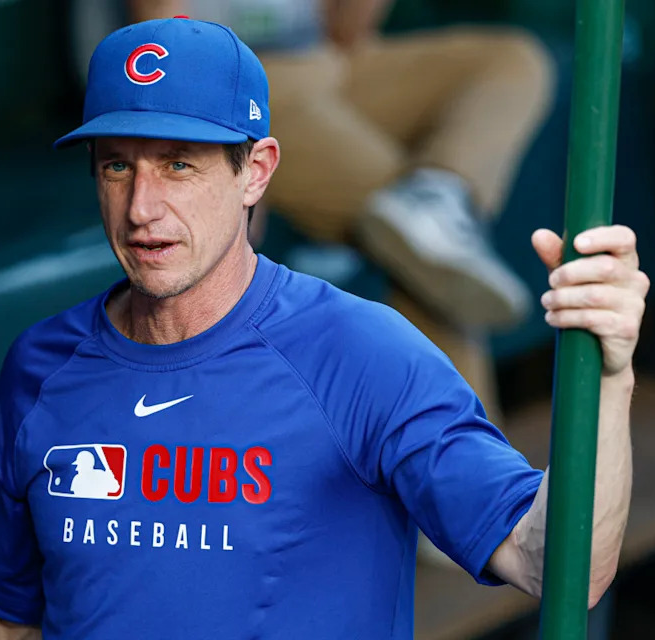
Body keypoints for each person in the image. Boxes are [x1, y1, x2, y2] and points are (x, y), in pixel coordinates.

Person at [0, 17, 648, 639]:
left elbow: (558, 563)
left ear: (255, 173)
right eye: (118, 165)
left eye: (179, 165)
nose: (142, 207)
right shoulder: (42, 366)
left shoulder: (362, 355)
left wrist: (612, 377)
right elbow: (5, 619)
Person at [120, 0, 555, 426]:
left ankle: (439, 192)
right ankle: (479, 485)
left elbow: (345, 34)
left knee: (511, 59)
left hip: (328, 63)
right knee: (428, 263)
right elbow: (162, 59)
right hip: (227, 90)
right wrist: (225, 157)